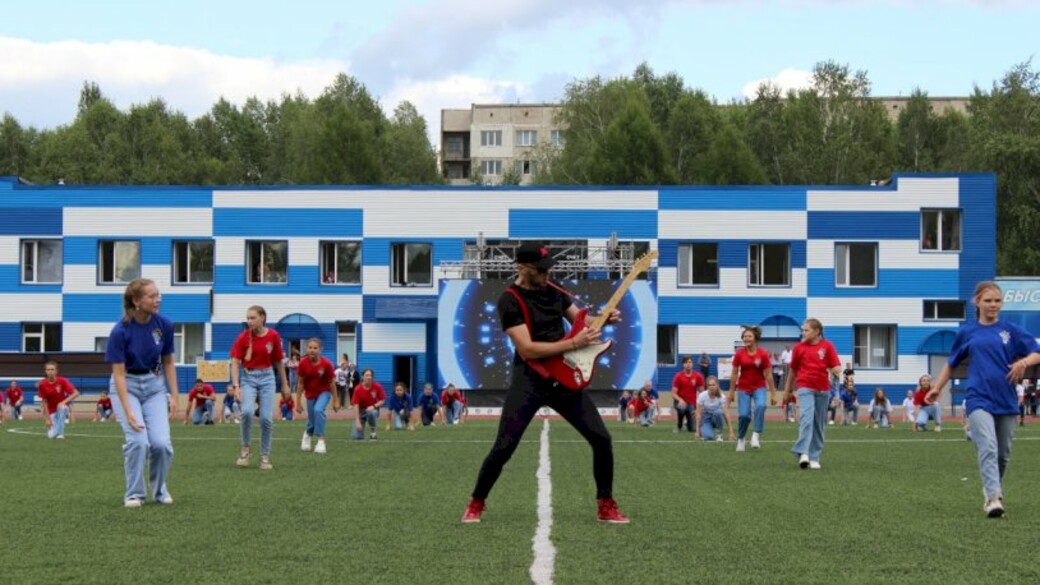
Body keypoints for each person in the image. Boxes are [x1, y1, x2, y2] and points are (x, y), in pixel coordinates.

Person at [462, 241, 628, 524]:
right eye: (541, 270)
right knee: (504, 446)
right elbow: (527, 349)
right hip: (529, 380)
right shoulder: (509, 300)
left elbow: (585, 325)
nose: (547, 275)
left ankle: (606, 503)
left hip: (564, 379)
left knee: (601, 438)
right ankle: (477, 501)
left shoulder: (555, 292)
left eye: (548, 269)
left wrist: (604, 321)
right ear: (524, 268)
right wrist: (573, 343)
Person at [926, 281, 1040, 518]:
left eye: (997, 301)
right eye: (988, 300)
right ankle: (993, 497)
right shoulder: (967, 332)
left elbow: (1036, 352)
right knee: (987, 446)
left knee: (1003, 453)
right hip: (978, 398)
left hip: (1006, 400)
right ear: (976, 302)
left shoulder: (1012, 331)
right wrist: (937, 387)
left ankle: (992, 487)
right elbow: (951, 363)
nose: (993, 305)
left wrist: (1023, 362)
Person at [105, 278, 179, 507]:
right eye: (152, 296)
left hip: (154, 385)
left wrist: (174, 395)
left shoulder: (164, 324)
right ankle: (134, 494)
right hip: (126, 386)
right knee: (138, 442)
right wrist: (128, 411)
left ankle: (159, 491)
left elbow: (167, 362)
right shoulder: (120, 331)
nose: (158, 300)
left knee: (161, 444)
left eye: (158, 295)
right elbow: (118, 373)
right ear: (137, 301)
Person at [229, 305, 291, 471]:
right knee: (247, 412)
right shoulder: (242, 337)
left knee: (266, 418)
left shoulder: (273, 336)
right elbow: (235, 362)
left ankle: (265, 456)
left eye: (253, 318)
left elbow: (278, 361)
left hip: (267, 377)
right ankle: (245, 450)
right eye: (248, 318)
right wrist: (236, 386)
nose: (249, 321)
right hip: (248, 377)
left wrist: (285, 384)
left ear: (262, 317)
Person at [783, 318, 841, 470]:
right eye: (803, 330)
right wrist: (787, 390)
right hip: (805, 387)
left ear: (817, 331)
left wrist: (836, 370)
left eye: (806, 330)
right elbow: (793, 371)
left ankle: (814, 456)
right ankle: (803, 453)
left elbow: (835, 365)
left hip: (823, 389)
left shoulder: (827, 346)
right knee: (806, 419)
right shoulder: (799, 348)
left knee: (818, 424)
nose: (803, 332)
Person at [727, 325, 777, 451]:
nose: (746, 338)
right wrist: (731, 392)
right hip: (743, 388)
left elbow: (768, 374)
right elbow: (734, 373)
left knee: (760, 406)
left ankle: (756, 435)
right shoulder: (739, 354)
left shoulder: (763, 354)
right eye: (744, 336)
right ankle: (741, 439)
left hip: (759, 387)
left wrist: (773, 393)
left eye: (749, 336)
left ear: (755, 338)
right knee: (744, 415)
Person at [295, 337, 338, 454]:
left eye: (315, 348)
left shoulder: (327, 364)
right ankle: (307, 434)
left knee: (318, 410)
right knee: (312, 419)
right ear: (307, 349)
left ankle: (320, 441)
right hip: (310, 394)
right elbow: (300, 383)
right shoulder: (303, 363)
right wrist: (297, 402)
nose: (312, 350)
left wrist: (336, 400)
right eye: (310, 347)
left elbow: (331, 382)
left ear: (320, 349)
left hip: (324, 392)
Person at [37, 361, 80, 440]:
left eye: (52, 369)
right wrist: (47, 419)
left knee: (62, 407)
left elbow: (76, 393)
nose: (50, 372)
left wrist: (63, 402)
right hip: (51, 412)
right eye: (48, 370)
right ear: (45, 371)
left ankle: (61, 434)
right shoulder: (42, 384)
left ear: (56, 371)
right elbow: (44, 402)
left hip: (61, 409)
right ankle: (56, 431)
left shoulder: (62, 381)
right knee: (51, 436)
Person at [671, 356, 704, 433]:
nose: (688, 364)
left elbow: (702, 393)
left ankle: (688, 423)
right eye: (686, 362)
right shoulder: (678, 376)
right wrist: (680, 400)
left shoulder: (698, 376)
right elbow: (673, 394)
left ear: (692, 364)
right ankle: (679, 425)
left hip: (691, 404)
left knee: (692, 429)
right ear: (683, 364)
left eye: (690, 362)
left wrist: (698, 407)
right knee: (682, 408)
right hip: (680, 402)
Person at [695, 376, 733, 442]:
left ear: (717, 385)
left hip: (716, 418)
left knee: (718, 412)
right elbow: (698, 415)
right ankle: (705, 431)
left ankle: (719, 434)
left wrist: (731, 432)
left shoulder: (722, 397)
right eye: (709, 385)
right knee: (709, 437)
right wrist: (697, 432)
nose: (711, 387)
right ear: (707, 386)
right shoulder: (702, 396)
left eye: (713, 385)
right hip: (706, 419)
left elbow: (726, 414)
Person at [352, 368, 385, 440]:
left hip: (372, 410)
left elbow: (382, 400)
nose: (369, 377)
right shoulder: (357, 389)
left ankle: (373, 432)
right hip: (361, 411)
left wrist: (374, 406)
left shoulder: (377, 386)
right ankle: (361, 426)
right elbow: (356, 405)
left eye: (370, 375)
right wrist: (357, 421)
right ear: (362, 377)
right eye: (367, 375)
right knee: (357, 437)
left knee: (371, 413)